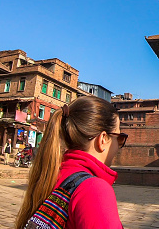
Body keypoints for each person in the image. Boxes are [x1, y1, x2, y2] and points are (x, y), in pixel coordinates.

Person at [15, 96, 127, 229]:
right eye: (120, 138)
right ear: (103, 139)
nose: (119, 145)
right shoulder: (94, 190)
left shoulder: (52, 173)